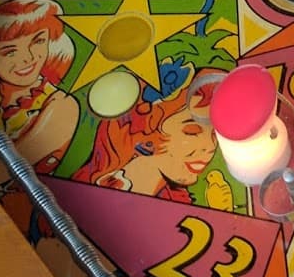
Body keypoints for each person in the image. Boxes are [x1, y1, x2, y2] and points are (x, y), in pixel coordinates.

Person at [76, 68, 223, 201]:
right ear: (146, 130)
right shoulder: (90, 194)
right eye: (191, 132)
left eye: (216, 134)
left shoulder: (177, 203)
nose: (210, 147)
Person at [0, 0, 79, 174]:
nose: (28, 58)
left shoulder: (62, 105)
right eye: (10, 51)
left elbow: (6, 171)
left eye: (38, 41)